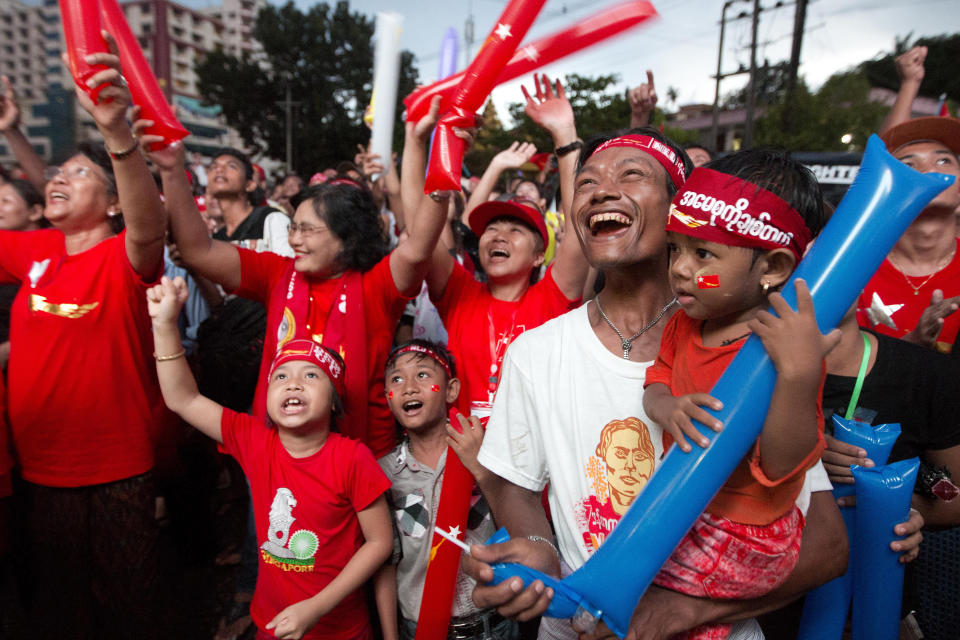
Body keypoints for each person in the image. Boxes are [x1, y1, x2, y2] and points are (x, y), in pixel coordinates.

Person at [466, 127, 852, 640]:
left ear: (682, 207)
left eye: (632, 174)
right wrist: (539, 545)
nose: (601, 190)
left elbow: (828, 547)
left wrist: (683, 610)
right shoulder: (535, 352)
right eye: (585, 183)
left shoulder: (753, 355)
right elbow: (514, 485)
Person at [141, 99, 452, 458]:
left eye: (307, 230)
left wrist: (433, 155)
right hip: (278, 460)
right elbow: (198, 250)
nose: (294, 240)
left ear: (347, 238)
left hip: (361, 462)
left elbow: (417, 249)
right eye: (293, 228)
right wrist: (172, 171)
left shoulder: (377, 285)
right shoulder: (278, 274)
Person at [0, 38, 171, 638]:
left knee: (124, 604)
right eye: (55, 174)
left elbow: (150, 224)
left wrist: (117, 136)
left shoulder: (124, 256)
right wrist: (14, 135)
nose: (58, 181)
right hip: (38, 468)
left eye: (79, 174)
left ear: (113, 201)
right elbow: (35, 183)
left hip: (116, 467)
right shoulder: (36, 251)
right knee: (56, 605)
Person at [642, 151, 835, 639]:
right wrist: (668, 408)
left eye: (704, 255)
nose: (681, 270)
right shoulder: (686, 325)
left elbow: (780, 464)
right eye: (675, 249)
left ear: (772, 265)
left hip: (747, 534)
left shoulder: (783, 345)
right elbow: (656, 383)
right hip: (685, 512)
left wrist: (798, 375)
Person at [149, 276, 392, 640]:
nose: (293, 383)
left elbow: (380, 543)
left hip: (340, 629)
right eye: (281, 376)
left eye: (311, 375)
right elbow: (183, 399)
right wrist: (164, 324)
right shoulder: (254, 441)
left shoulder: (352, 457)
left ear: (334, 401)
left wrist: (316, 607)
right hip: (273, 625)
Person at [406, 75, 590, 414]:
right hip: (464, 455)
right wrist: (417, 142)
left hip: (532, 460)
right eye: (491, 228)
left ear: (539, 257)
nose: (499, 235)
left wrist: (564, 133)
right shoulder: (460, 293)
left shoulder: (551, 298)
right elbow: (419, 231)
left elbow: (580, 229)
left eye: (515, 230)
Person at [377, 339, 516, 640]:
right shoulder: (383, 474)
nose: (409, 387)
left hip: (491, 622)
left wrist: (480, 469)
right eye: (396, 379)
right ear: (387, 397)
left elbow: (518, 528)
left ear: (451, 389)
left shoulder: (484, 449)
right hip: (419, 628)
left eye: (423, 375)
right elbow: (385, 564)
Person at [857, 116, 960, 353]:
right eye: (909, 164)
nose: (929, 170)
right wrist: (914, 343)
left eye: (943, 160)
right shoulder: (857, 268)